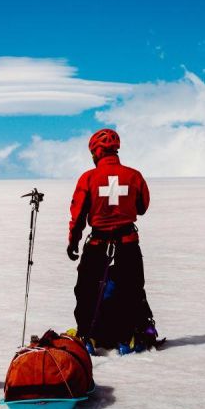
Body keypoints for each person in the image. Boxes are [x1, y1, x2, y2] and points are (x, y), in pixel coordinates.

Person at [67, 129, 157, 353]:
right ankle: (127, 338)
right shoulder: (134, 176)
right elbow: (142, 207)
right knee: (131, 289)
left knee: (87, 290)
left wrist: (73, 241)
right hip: (128, 243)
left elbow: (78, 215)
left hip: (97, 245)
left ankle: (87, 336)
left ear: (96, 152)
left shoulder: (88, 178)